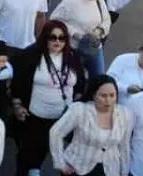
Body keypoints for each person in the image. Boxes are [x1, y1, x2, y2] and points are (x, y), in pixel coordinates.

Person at [9, 20, 87, 175]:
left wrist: (77, 105)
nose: (57, 41)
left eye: (62, 38)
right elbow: (17, 84)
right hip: (37, 116)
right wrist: (17, 106)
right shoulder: (30, 56)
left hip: (65, 117)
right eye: (53, 37)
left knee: (69, 158)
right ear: (45, 38)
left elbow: (80, 83)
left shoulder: (72, 56)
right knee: (30, 156)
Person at [48, 75, 132, 176]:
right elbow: (55, 133)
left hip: (110, 169)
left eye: (112, 95)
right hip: (78, 168)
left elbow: (124, 146)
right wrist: (60, 164)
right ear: (93, 95)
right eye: (103, 96)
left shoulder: (125, 114)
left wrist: (124, 172)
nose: (108, 100)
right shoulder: (79, 110)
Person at [50, 0, 112, 78]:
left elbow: (106, 21)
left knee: (99, 78)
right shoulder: (71, 1)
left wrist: (99, 31)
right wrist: (74, 33)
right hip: (74, 48)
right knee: (74, 79)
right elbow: (54, 19)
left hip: (94, 47)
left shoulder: (100, 2)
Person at [106, 38, 143, 106]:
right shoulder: (122, 60)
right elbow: (107, 82)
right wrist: (126, 88)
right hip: (121, 107)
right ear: (139, 51)